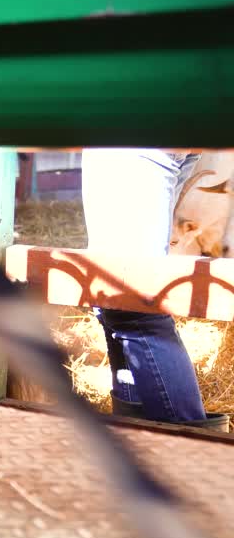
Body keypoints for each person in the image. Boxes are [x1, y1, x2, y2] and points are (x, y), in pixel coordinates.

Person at [80, 148, 228, 431]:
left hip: (131, 128)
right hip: (153, 130)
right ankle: (135, 435)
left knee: (131, 302)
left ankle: (193, 451)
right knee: (114, 301)